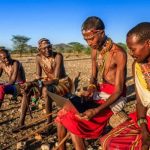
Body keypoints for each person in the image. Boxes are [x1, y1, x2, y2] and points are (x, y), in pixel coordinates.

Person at [55, 16, 127, 150]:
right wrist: (91, 88)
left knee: (75, 119)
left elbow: (118, 90)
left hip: (115, 96)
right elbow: (93, 76)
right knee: (63, 112)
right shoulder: (94, 50)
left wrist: (96, 110)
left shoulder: (119, 53)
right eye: (86, 39)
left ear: (101, 33)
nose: (89, 43)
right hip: (100, 92)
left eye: (91, 38)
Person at [100, 22, 150, 150]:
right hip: (147, 118)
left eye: (133, 49)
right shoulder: (138, 66)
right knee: (108, 141)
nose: (131, 53)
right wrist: (144, 131)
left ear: (148, 44)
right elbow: (140, 102)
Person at [17, 38, 72, 128]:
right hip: (48, 81)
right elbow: (38, 76)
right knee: (27, 90)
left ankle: (49, 123)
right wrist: (30, 83)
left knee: (46, 90)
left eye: (49, 47)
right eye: (44, 48)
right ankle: (21, 123)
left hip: (62, 82)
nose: (47, 50)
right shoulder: (38, 58)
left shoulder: (58, 56)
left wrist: (36, 84)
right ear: (39, 50)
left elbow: (56, 79)